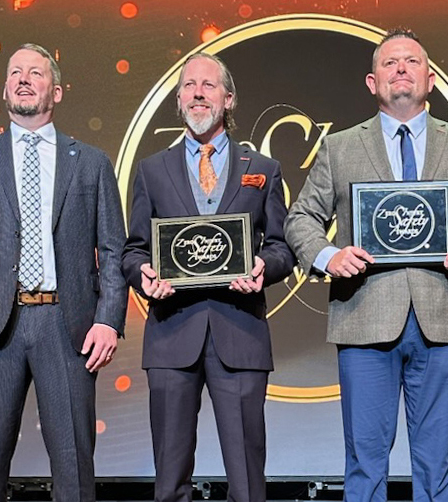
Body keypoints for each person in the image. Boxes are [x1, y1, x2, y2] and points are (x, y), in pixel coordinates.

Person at [284, 28, 448, 502]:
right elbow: (301, 217)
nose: (401, 70)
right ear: (372, 83)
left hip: (444, 318)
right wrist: (332, 255)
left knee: (437, 464)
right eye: (389, 63)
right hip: (364, 318)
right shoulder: (340, 147)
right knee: (365, 461)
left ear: (429, 78)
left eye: (411, 62)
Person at [0, 43, 127, 502]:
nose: (23, 79)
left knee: (75, 467)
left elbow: (115, 251)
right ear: (4, 87)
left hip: (68, 326)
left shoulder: (93, 163)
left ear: (56, 91)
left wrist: (108, 321)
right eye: (15, 72)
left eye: (35, 73)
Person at [122, 52, 294, 502]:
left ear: (228, 99)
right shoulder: (151, 170)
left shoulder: (263, 169)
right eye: (189, 87)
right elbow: (134, 250)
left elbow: (282, 247)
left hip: (240, 334)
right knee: (169, 482)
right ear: (179, 100)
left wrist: (263, 268)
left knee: (247, 483)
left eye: (209, 85)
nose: (198, 93)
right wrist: (144, 275)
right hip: (171, 337)